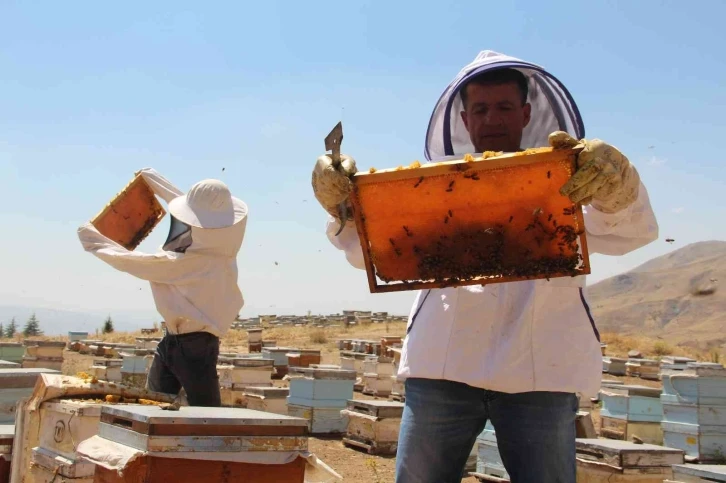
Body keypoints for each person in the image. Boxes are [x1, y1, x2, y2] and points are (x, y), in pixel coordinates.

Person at [311, 50, 658, 483]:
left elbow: (631, 232)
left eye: (504, 107)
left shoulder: (563, 185)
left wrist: (618, 188)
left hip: (541, 371)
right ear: (465, 118)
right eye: (481, 109)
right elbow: (373, 251)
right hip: (443, 367)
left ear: (526, 112)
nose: (492, 118)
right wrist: (343, 207)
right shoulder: (433, 190)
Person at [78, 168, 248, 407]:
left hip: (195, 347)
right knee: (152, 407)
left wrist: (93, 241)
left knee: (207, 416)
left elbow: (133, 262)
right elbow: (186, 204)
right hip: (174, 340)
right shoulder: (222, 241)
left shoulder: (190, 263)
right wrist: (152, 179)